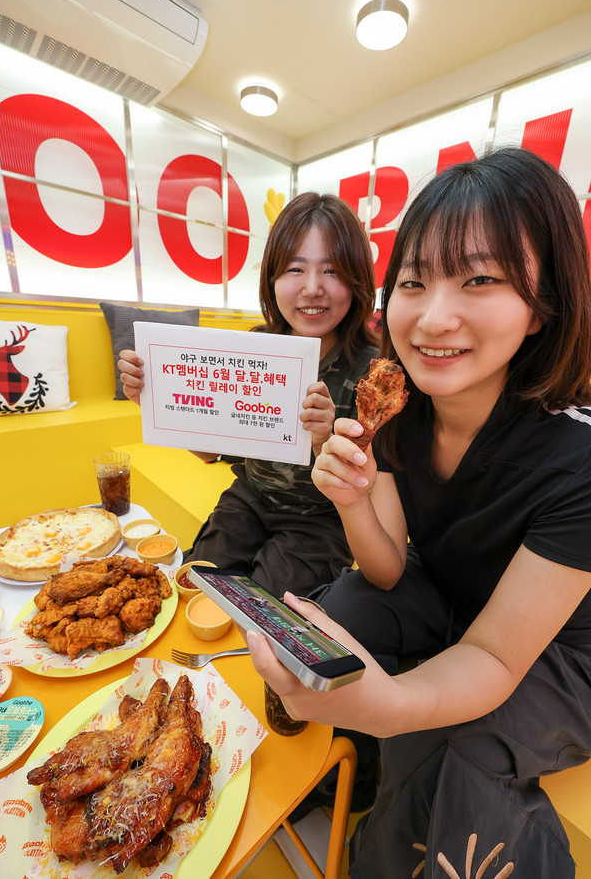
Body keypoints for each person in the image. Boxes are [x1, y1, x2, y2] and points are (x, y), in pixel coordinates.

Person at [247, 148, 591, 877]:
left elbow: (498, 654)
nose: (434, 317)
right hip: (452, 594)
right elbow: (389, 565)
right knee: (338, 608)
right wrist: (351, 499)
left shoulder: (577, 461)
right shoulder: (399, 405)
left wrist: (392, 707)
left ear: (543, 306)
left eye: (481, 279)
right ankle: (342, 777)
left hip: (560, 649)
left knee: (449, 745)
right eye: (414, 281)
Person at [119, 192, 378, 598]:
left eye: (332, 270)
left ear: (359, 279)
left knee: (265, 611)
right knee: (197, 585)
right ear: (272, 279)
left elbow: (376, 486)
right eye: (295, 269)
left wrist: (325, 439)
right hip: (249, 497)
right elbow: (211, 454)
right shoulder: (257, 347)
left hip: (321, 518)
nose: (312, 288)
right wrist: (155, 401)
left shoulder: (372, 372)